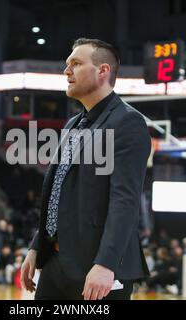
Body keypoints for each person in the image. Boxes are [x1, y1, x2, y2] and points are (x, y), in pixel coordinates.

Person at [20, 38, 151, 300]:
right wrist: (37, 246)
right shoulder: (72, 124)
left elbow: (124, 201)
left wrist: (106, 263)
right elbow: (59, 192)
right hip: (56, 262)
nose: (66, 71)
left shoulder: (128, 122)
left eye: (76, 64)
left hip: (98, 269)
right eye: (67, 64)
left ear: (102, 71)